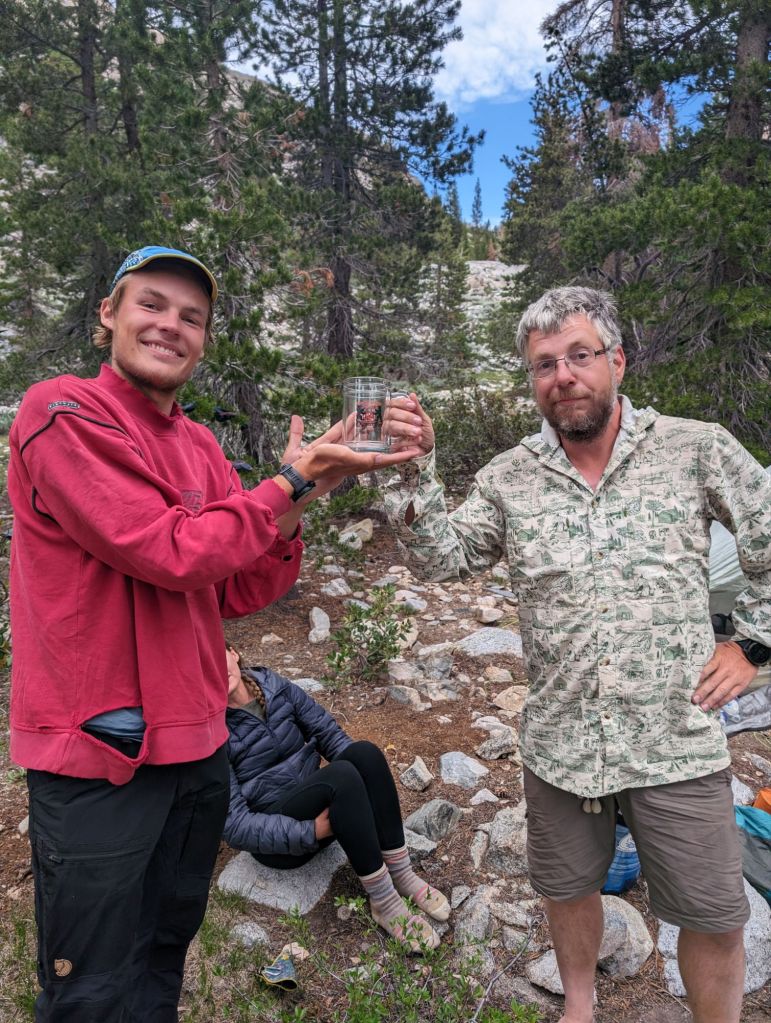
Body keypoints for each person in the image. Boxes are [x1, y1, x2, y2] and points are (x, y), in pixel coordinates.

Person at [7, 245, 422, 1023]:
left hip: (198, 748)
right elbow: (166, 549)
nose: (171, 325)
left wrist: (307, 492)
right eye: (151, 304)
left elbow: (238, 584)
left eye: (191, 317)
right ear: (108, 313)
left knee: (164, 947)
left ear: (203, 339)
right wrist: (290, 480)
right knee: (90, 981)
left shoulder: (198, 445)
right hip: (104, 754)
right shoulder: (62, 411)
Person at [379, 286, 771, 1023]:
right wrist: (414, 469)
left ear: (617, 361)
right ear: (532, 379)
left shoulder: (694, 447)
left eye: (579, 356)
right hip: (561, 741)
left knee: (715, 915)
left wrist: (751, 643)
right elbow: (444, 560)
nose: (562, 375)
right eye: (544, 364)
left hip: (674, 737)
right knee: (566, 890)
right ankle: (579, 1008)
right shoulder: (508, 477)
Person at [222, 646, 449, 951]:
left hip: (319, 807)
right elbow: (234, 825)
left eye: (217, 657)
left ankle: (401, 874)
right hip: (280, 841)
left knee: (364, 753)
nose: (215, 670)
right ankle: (383, 901)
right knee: (341, 776)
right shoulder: (210, 729)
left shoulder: (273, 686)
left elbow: (328, 733)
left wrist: (364, 781)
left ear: (234, 653)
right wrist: (310, 831)